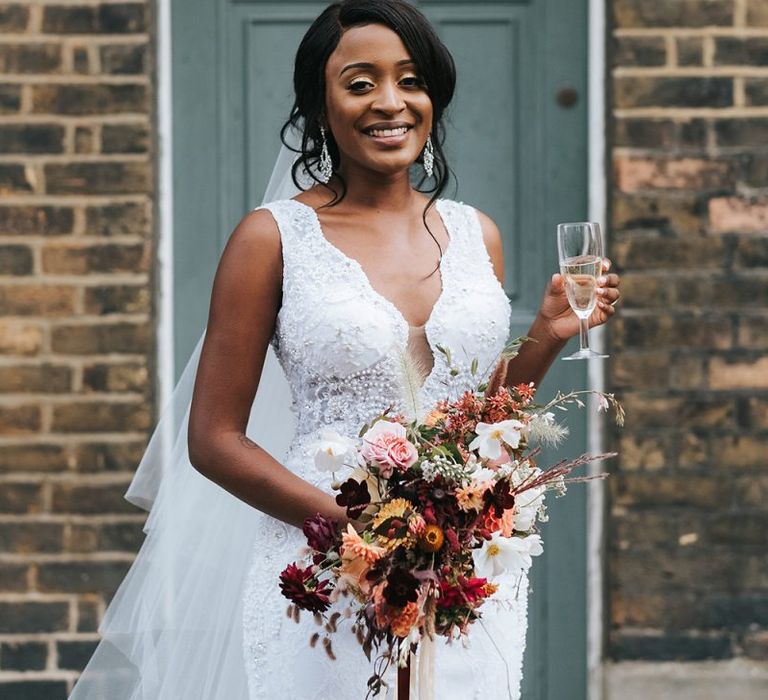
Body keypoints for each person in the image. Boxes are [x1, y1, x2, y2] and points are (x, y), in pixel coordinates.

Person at [69, 2, 620, 699]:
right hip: (326, 561)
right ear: (320, 104)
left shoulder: (476, 233)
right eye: (360, 83)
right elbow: (212, 440)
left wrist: (547, 333)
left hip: (461, 562)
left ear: (432, 97)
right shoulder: (271, 238)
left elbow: (481, 419)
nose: (390, 102)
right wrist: (358, 530)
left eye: (410, 80)